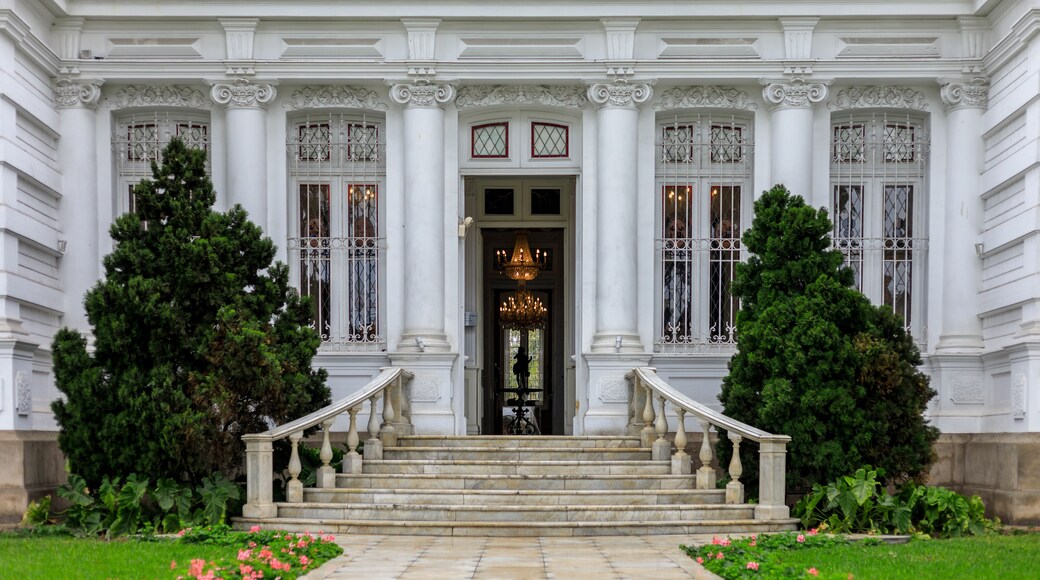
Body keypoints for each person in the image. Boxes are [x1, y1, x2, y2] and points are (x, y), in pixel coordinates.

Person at [710, 216, 739, 342]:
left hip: (720, 272)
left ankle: (720, 333)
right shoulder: (714, 253)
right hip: (715, 272)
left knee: (719, 297)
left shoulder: (719, 255)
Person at [662, 217, 691, 341]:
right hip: (669, 280)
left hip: (684, 280)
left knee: (683, 300)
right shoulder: (665, 248)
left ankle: (673, 327)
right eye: (673, 229)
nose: (676, 233)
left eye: (680, 229)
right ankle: (669, 328)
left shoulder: (688, 249)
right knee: (668, 301)